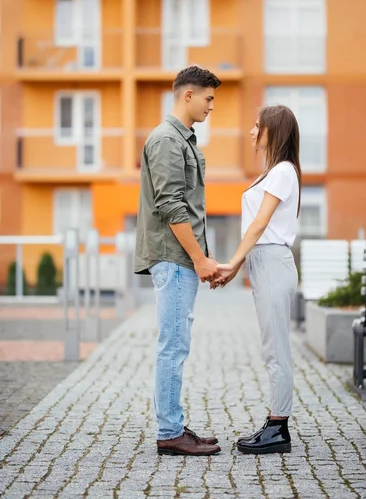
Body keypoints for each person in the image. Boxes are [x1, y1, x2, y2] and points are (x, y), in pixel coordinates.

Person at [135, 65, 222, 456]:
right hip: (173, 258)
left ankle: (174, 423)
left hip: (180, 258)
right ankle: (169, 432)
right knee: (173, 346)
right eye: (208, 98)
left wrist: (202, 258)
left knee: (177, 343)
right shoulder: (167, 140)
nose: (211, 106)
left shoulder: (183, 140)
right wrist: (199, 259)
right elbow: (171, 206)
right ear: (188, 95)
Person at [212, 105, 301, 455]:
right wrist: (240, 263)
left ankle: (279, 428)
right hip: (265, 263)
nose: (252, 132)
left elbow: (260, 224)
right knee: (271, 346)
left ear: (272, 131)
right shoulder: (275, 172)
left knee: (276, 347)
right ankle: (275, 420)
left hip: (273, 262)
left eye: (257, 126)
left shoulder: (282, 171)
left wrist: (233, 263)